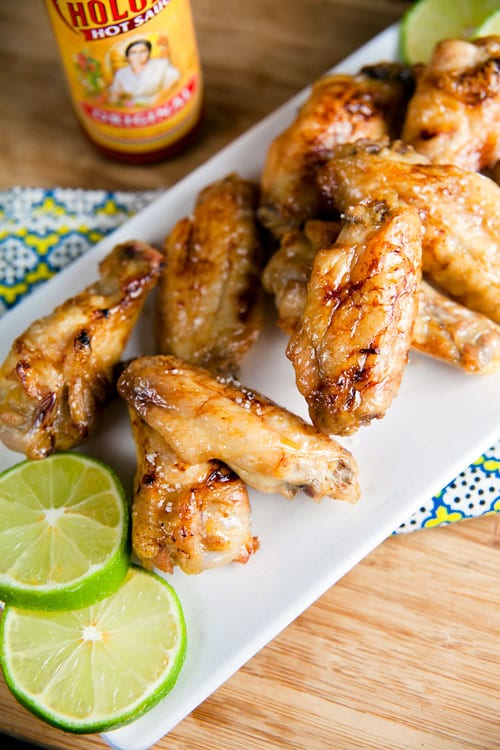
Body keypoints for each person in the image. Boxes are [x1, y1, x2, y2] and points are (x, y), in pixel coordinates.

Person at [109, 39, 180, 106]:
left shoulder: (161, 65)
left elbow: (174, 81)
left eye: (143, 51)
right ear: (128, 57)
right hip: (133, 109)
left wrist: (160, 99)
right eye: (133, 52)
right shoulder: (121, 74)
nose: (138, 55)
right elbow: (115, 93)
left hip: (160, 104)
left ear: (149, 53)